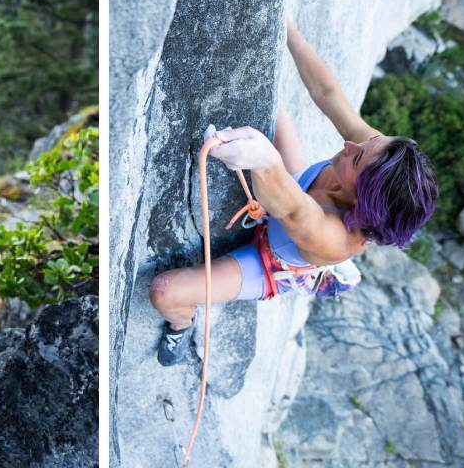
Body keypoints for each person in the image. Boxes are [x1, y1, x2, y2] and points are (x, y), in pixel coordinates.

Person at [149, 19, 438, 366]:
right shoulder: (374, 159)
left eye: (357, 156)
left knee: (166, 292)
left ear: (362, 200)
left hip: (272, 260)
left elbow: (293, 211)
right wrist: (284, 27)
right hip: (297, 189)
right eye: (370, 141)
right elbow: (327, 93)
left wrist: (263, 158)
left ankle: (182, 324)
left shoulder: (338, 240)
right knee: (270, 97)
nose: (349, 143)